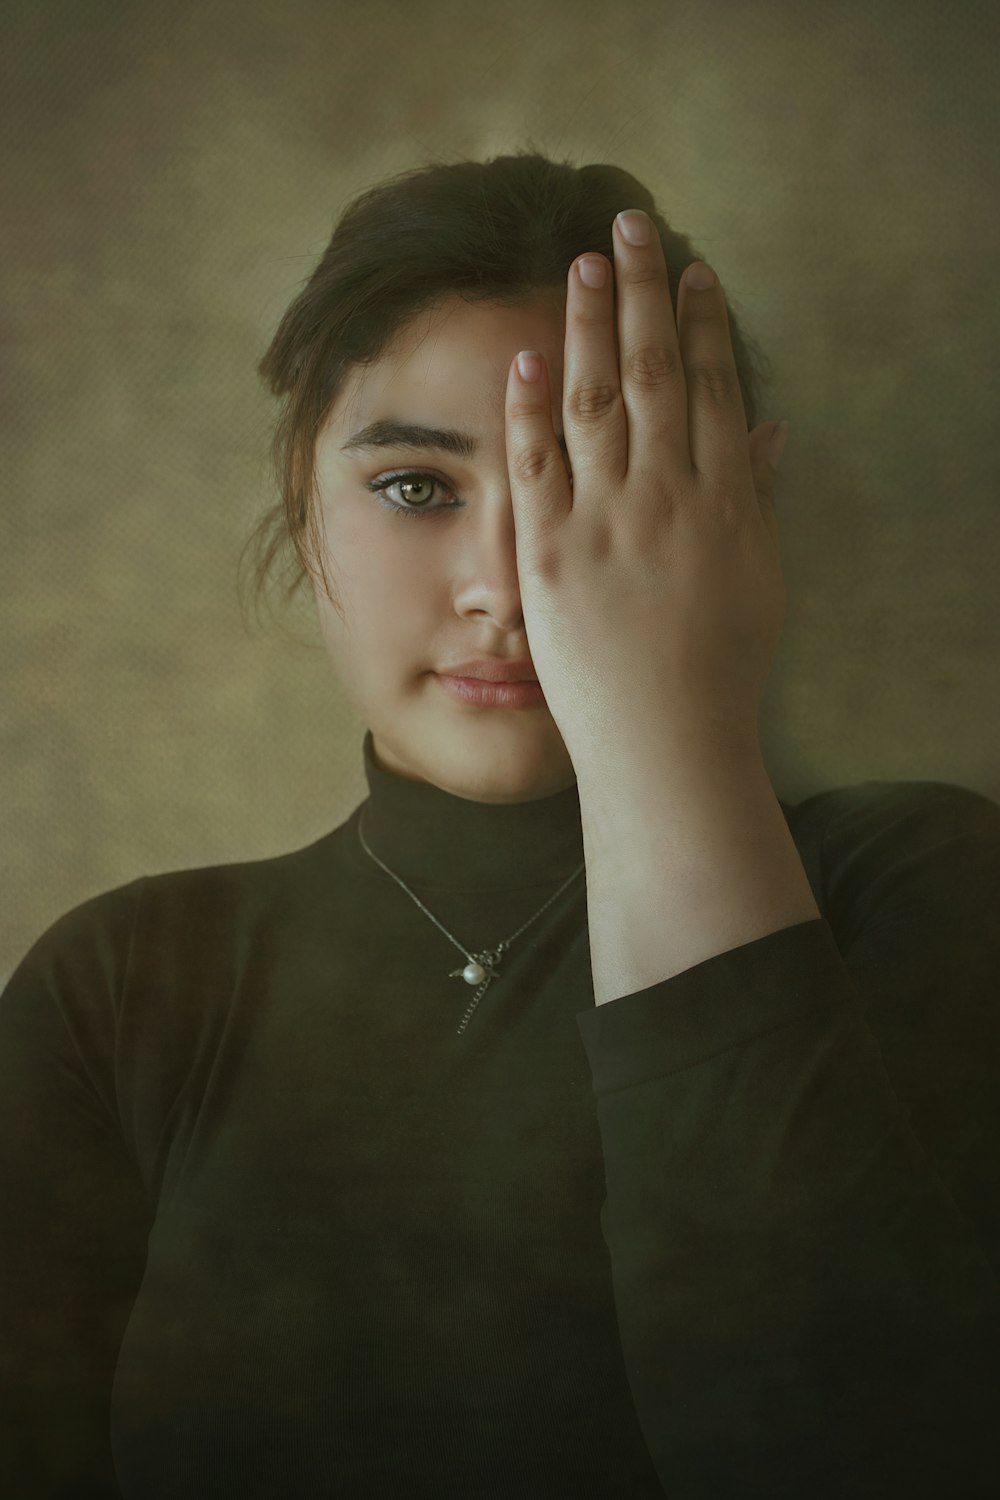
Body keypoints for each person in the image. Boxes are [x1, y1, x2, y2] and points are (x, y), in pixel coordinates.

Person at [1, 148, 998, 1500]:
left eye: (587, 492)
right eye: (417, 484)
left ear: (735, 511)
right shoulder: (121, 988)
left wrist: (670, 720)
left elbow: (835, 1453)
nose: (505, 587)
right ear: (306, 496)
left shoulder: (911, 889)